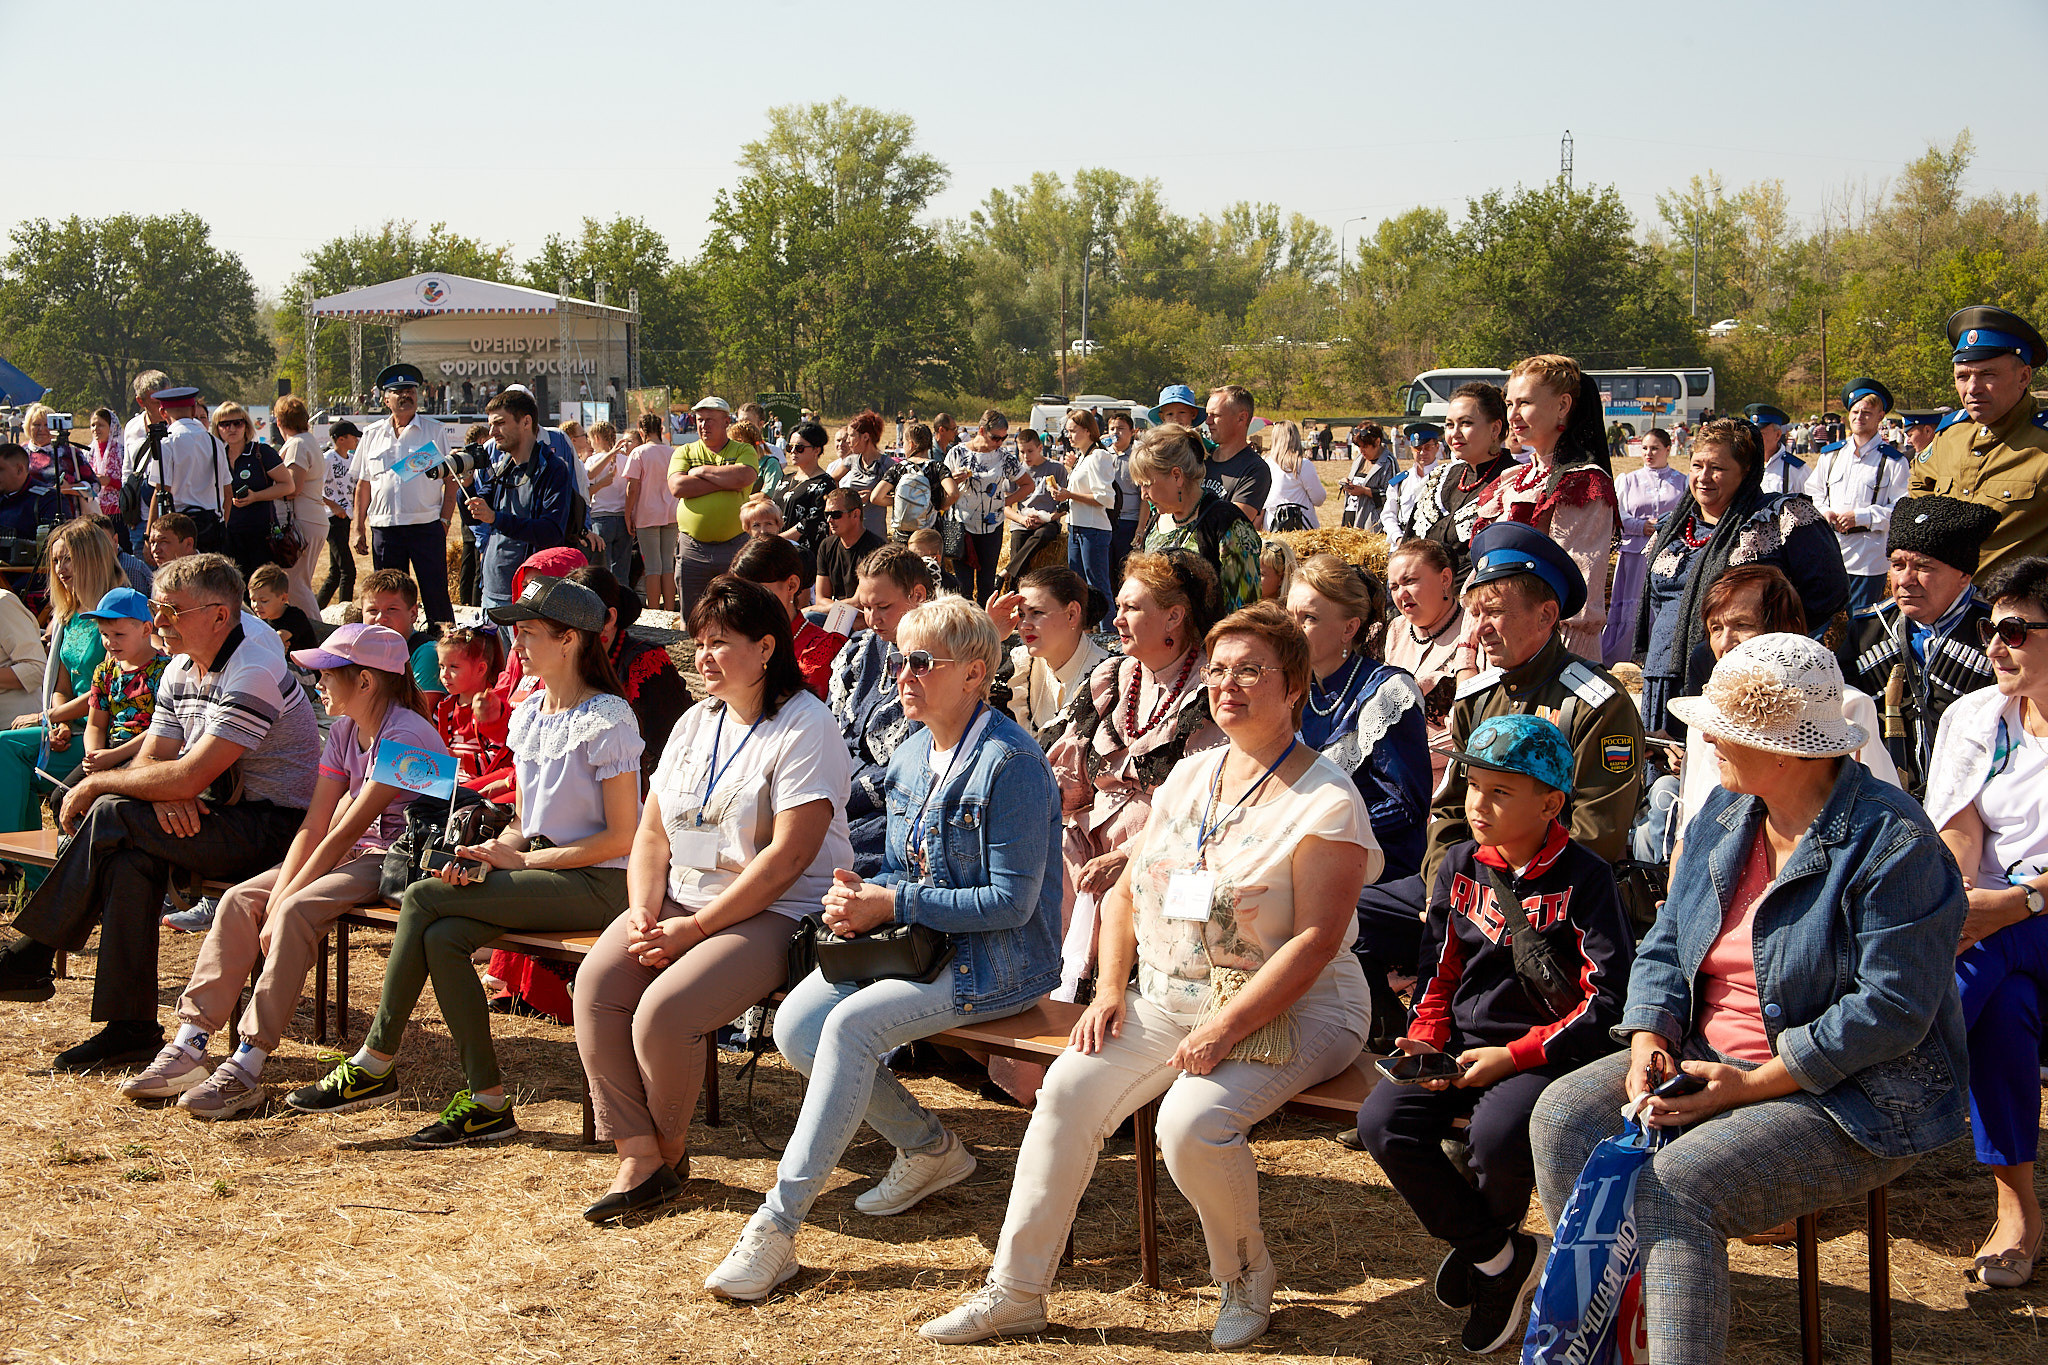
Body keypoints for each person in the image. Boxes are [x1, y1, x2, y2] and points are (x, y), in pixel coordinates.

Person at [922, 602, 1377, 1349]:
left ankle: (1245, 1275)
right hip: (1170, 993)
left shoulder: (1325, 799)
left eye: (1250, 670)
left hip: (1294, 1007)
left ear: (1293, 685)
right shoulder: (1192, 775)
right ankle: (1016, 1291)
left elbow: (1316, 940)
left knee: (1191, 1123)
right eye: (1219, 669)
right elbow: (1131, 889)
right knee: (1068, 1087)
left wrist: (1225, 1028)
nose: (1228, 684)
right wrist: (1108, 990)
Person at [1531, 633, 1969, 1365]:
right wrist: (1649, 1036)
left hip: (1852, 1094)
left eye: (1726, 726)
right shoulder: (1727, 814)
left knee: (1676, 1185)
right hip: (1711, 1061)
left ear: (1792, 748)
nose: (1702, 734)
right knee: (1563, 1117)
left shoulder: (1895, 842)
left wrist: (1752, 1084)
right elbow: (1667, 942)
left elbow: (1891, 1010)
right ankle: (1617, 1332)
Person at [705, 598, 1061, 1302]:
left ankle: (776, 1225)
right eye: (900, 658)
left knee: (848, 1026)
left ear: (974, 674)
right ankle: (932, 1149)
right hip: (919, 947)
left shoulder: (1010, 762)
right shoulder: (910, 749)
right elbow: (911, 865)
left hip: (999, 960)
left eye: (922, 662)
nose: (902, 674)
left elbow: (1012, 903)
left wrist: (892, 903)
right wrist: (861, 892)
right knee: (797, 1024)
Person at [284, 576, 641, 1148]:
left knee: (425, 897)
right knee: (444, 933)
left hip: (603, 884)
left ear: (570, 639)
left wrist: (523, 861)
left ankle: (376, 1059)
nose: (516, 644)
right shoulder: (532, 714)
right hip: (551, 873)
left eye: (527, 633)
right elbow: (527, 825)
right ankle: (487, 1100)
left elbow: (623, 837)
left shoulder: (608, 717)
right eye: (516, 631)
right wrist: (497, 852)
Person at [574, 576, 850, 1221]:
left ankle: (666, 1156)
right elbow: (651, 833)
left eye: (720, 644)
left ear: (765, 648)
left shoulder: (806, 726)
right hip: (679, 900)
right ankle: (639, 1153)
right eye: (698, 643)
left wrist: (694, 931)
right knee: (596, 988)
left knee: (665, 1013)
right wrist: (644, 908)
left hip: (780, 910)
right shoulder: (696, 721)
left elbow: (789, 858)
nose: (701, 658)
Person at [1360, 714, 1631, 1354]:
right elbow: (1440, 962)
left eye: (1501, 792)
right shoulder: (1459, 862)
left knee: (1499, 1132)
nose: (1478, 803)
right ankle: (1499, 1258)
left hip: (1546, 1053)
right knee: (1383, 1121)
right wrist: (1426, 1035)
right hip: (1458, 1049)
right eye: (1473, 785)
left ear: (1551, 803)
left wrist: (1513, 1057)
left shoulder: (1586, 878)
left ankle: (1489, 1251)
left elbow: (1606, 1000)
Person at [0, 554, 320, 1070]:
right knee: (128, 854)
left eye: (172, 609)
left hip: (276, 829)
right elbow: (155, 764)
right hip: (216, 815)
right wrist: (163, 788)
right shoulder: (177, 668)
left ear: (220, 616)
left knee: (107, 809)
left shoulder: (252, 670)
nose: (159, 621)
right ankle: (130, 1030)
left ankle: (31, 955)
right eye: (156, 607)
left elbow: (185, 775)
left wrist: (104, 784)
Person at [118, 624, 444, 1117]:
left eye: (327, 674)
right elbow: (314, 824)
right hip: (356, 851)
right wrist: (274, 897)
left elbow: (346, 831)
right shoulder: (343, 730)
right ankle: (190, 1042)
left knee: (293, 913)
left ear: (366, 682)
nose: (317, 683)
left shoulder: (412, 733)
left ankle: (247, 1064)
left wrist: (283, 903)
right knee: (237, 901)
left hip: (400, 858)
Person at [1047, 551, 1227, 1003]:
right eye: (1120, 606)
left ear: (1174, 616)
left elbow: (1205, 803)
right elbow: (1069, 765)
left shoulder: (1209, 691)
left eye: (1132, 608)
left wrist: (1129, 854)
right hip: (1089, 839)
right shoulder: (1112, 677)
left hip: (1168, 847)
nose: (1118, 618)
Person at [1655, 566, 1898, 860]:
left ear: (1789, 627)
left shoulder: (1839, 708)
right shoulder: (1706, 714)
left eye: (1741, 625)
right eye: (1715, 628)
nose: (1723, 643)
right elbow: (1690, 826)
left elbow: (1883, 817)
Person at [1637, 417, 1849, 733]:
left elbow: (1829, 593)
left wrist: (1768, 643)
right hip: (1665, 676)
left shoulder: (1776, 519)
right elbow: (1659, 604)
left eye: (1717, 468)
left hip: (1748, 684)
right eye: (1697, 466)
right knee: (1667, 777)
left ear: (1746, 472)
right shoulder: (1674, 528)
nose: (1703, 477)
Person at [1837, 494, 2001, 795]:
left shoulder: (1996, 631)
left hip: (1980, 795)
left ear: (1964, 575)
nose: (1906, 580)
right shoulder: (1868, 629)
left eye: (1924, 567)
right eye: (1897, 565)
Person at [1285, 554, 1431, 883]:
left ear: (1349, 628)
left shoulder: (1388, 693)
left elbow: (1406, 806)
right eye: (1289, 616)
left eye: (1308, 618)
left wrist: (1316, 833)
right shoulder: (1290, 690)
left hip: (1377, 869)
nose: (1292, 631)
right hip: (1300, 857)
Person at [1470, 355, 1620, 659]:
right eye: (1509, 403)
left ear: (1563, 405)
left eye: (1524, 403)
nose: (1513, 415)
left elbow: (1576, 593)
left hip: (1551, 654)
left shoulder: (1581, 484)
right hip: (1497, 647)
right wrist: (1467, 655)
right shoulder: (1514, 479)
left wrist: (1552, 669)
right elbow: (1481, 577)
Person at [0, 521, 124, 844]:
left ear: (91, 558)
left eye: (67, 559)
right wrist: (60, 721)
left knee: (6, 749)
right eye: (55, 561)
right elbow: (62, 686)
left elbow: (105, 688)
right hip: (72, 728)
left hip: (108, 736)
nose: (60, 569)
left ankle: (11, 857)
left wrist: (49, 718)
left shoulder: (116, 612)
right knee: (11, 756)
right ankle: (29, 868)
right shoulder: (68, 615)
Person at [1907, 305, 2048, 579]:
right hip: (1944, 610)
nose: (1972, 388)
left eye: (1988, 374)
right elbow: (1919, 483)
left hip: (2015, 615)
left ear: (2024, 377)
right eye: (1963, 376)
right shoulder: (1951, 434)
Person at [829, 545, 933, 872]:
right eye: (865, 607)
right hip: (838, 787)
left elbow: (921, 766)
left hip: (896, 806)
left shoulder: (937, 663)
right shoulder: (861, 652)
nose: (873, 619)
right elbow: (833, 730)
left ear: (918, 595)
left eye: (883, 606)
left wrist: (842, 795)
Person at [349, 364, 457, 628]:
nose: (405, 396)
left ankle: (444, 650)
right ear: (386, 399)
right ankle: (392, 652)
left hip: (425, 527)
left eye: (410, 391)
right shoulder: (372, 434)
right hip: (385, 530)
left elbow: (451, 481)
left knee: (435, 596)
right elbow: (364, 484)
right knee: (387, 599)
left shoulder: (434, 431)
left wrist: (444, 521)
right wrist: (357, 526)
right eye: (398, 392)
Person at [568, 564, 692, 788]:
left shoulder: (647, 664)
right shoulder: (566, 660)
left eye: (576, 618)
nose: (565, 629)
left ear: (609, 619)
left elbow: (668, 743)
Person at [1808, 377, 1912, 615]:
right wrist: (1825, 512)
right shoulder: (1831, 456)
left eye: (1866, 412)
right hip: (1830, 552)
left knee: (1860, 626)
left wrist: (1862, 517)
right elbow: (1812, 493)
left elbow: (1901, 510)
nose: (1859, 417)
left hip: (1868, 557)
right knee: (1820, 622)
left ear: (1880, 416)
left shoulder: (1893, 461)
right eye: (1854, 412)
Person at [1135, 425, 1262, 614]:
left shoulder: (1227, 523)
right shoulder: (1157, 522)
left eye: (1147, 484)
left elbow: (1244, 612)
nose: (1143, 495)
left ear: (1177, 476)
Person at [1383, 537, 1476, 786]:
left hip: (1452, 781)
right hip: (1393, 773)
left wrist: (1409, 753)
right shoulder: (1397, 629)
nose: (1401, 594)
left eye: (1410, 581)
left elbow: (1473, 725)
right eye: (1393, 587)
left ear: (1445, 579)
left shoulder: (1474, 630)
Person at [987, 565, 1110, 747]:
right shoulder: (1020, 667)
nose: (1024, 625)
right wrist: (988, 635)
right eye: (1021, 615)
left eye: (1037, 613)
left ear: (1071, 614)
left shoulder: (1109, 678)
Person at [474, 389, 576, 610]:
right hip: (492, 590)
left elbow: (550, 532)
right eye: (491, 424)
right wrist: (463, 487)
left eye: (500, 423)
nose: (492, 432)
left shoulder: (552, 469)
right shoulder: (502, 467)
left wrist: (496, 519)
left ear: (526, 422)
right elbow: (476, 518)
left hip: (527, 594)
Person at [1603, 426, 1690, 666]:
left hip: (1671, 552)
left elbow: (1687, 514)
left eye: (1654, 449)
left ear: (1668, 450)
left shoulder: (1682, 481)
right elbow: (1618, 514)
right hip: (1634, 553)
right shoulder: (1628, 480)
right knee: (1633, 600)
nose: (1648, 453)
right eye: (1644, 448)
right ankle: (1623, 653)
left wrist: (1665, 528)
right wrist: (1642, 526)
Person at [668, 397, 760, 624]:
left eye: (710, 420)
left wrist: (699, 471)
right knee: (692, 615)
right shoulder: (685, 451)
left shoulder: (743, 449)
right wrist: (725, 480)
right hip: (692, 549)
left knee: (735, 612)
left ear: (726, 421)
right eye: (699, 420)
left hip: (734, 545)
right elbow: (677, 487)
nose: (703, 425)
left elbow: (745, 476)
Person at [1414, 385, 1520, 579]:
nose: (1454, 433)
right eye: (1449, 424)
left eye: (1466, 423)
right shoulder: (1442, 478)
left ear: (1495, 428)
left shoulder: (1515, 482)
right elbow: (1410, 544)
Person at [733, 534, 843, 699]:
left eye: (757, 590)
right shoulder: (733, 638)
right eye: (740, 591)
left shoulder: (821, 649)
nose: (747, 600)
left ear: (791, 585)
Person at [76, 587, 170, 778]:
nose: (110, 642)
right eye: (104, 634)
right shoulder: (104, 671)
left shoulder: (165, 670)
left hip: (147, 752)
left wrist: (112, 757)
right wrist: (93, 756)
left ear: (146, 629)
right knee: (60, 796)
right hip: (110, 749)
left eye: (119, 634)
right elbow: (96, 725)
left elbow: (161, 728)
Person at [946, 410, 1025, 606]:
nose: (999, 442)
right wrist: (952, 481)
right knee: (963, 585)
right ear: (981, 431)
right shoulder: (957, 453)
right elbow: (941, 487)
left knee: (986, 584)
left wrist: (1004, 502)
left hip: (992, 526)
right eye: (995, 437)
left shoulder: (1004, 458)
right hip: (961, 525)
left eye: (1004, 438)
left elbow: (1028, 484)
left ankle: (986, 629)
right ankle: (963, 631)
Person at [1055, 408, 1117, 626]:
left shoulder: (1099, 455)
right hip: (1076, 527)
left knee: (1098, 585)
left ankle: (1109, 633)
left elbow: (1106, 498)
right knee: (1078, 585)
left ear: (1088, 430)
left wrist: (1069, 494)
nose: (1069, 436)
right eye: (1067, 431)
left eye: (1072, 431)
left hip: (1093, 529)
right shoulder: (1083, 457)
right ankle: (1086, 630)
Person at [432, 623, 511, 791]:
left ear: (481, 668)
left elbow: (496, 759)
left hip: (479, 786)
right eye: (441, 666)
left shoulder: (490, 709)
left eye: (453, 667)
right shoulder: (444, 707)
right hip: (445, 781)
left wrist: (456, 758)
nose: (445, 674)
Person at [272, 396, 329, 622]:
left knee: (295, 585)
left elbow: (293, 488)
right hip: (310, 518)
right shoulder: (308, 440)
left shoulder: (297, 444)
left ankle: (316, 632)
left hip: (302, 519)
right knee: (298, 583)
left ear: (278, 421)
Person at [622, 410, 678, 612]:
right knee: (667, 564)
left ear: (641, 430)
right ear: (660, 429)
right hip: (671, 513)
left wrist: (628, 514)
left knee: (653, 566)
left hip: (647, 514)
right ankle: (670, 608)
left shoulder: (639, 453)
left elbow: (632, 487)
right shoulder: (672, 452)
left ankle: (654, 610)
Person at [999, 430, 1065, 593]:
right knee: (1018, 553)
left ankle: (1004, 573)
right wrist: (1021, 520)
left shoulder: (1057, 469)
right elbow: (1005, 506)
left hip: (1048, 521)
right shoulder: (1016, 472)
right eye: (1022, 452)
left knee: (1044, 534)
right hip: (1022, 522)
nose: (1026, 456)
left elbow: (1064, 506)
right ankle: (1012, 597)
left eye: (1030, 451)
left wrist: (1048, 518)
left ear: (1040, 447)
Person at [1202, 384, 1269, 530]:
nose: (1208, 422)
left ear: (1241, 418)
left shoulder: (1255, 470)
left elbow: (1231, 524)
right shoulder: (1201, 458)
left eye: (1216, 415)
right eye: (1207, 415)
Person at [828, 411, 896, 545]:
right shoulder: (851, 461)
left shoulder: (887, 465)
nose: (848, 441)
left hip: (875, 534)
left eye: (851, 436)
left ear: (865, 437)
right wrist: (842, 500)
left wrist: (876, 498)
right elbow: (830, 480)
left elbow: (901, 498)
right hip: (850, 533)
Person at [813, 488, 883, 615]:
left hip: (866, 620)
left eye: (836, 515)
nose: (829, 520)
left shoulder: (876, 550)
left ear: (856, 514)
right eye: (826, 514)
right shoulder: (826, 545)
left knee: (811, 614)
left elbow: (859, 602)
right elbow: (821, 598)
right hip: (836, 615)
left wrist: (814, 609)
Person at [317, 419, 362, 608]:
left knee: (335, 573)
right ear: (342, 439)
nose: (357, 440)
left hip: (345, 520)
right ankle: (345, 613)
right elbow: (313, 489)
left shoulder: (351, 460)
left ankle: (315, 611)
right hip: (331, 520)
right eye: (354, 437)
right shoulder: (327, 459)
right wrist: (333, 506)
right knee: (348, 571)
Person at [584, 419, 633, 584]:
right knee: (622, 570)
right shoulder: (625, 460)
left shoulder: (593, 460)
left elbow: (588, 476)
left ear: (597, 438)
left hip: (600, 516)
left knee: (602, 571)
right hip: (622, 517)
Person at [1379, 422, 1444, 542]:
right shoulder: (1401, 481)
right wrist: (1398, 538)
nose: (1422, 452)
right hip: (1403, 544)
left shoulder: (1446, 478)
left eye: (1428, 447)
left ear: (1437, 447)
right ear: (1411, 449)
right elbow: (1388, 515)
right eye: (1417, 448)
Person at [1262, 420, 1325, 532]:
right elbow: (1319, 498)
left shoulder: (1264, 464)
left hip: (1272, 527)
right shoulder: (1302, 465)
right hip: (1301, 527)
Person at [1105, 410, 1144, 576]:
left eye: (1120, 428)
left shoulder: (1138, 458)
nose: (1115, 433)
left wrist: (1140, 528)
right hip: (1105, 522)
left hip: (1128, 522)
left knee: (1125, 571)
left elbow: (1144, 497)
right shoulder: (1102, 455)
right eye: (1112, 429)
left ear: (1132, 432)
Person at [1338, 421, 1395, 530]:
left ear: (1377, 442)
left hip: (1371, 523)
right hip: (1351, 517)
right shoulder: (1360, 458)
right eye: (1359, 446)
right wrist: (1347, 483)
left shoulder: (1388, 463)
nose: (1361, 450)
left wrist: (1364, 491)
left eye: (1365, 446)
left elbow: (1391, 496)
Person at [1745, 403, 1806, 496]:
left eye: (1761, 434)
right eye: (1752, 434)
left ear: (1777, 435)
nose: (1754, 438)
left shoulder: (1796, 470)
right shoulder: (1743, 464)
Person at [88, 407, 126, 543]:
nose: (96, 429)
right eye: (93, 425)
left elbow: (128, 483)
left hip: (117, 512)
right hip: (95, 511)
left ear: (111, 427)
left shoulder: (121, 451)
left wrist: (109, 481)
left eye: (101, 425)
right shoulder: (88, 452)